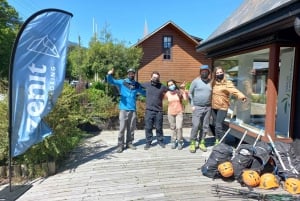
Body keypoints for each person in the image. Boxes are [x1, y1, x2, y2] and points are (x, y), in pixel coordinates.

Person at [106, 68, 145, 153]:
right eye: (130, 73)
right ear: (128, 74)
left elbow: (144, 93)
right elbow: (112, 81)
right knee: (122, 128)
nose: (131, 74)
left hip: (132, 109)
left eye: (133, 73)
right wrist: (109, 75)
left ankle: (129, 143)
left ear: (134, 74)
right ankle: (120, 145)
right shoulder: (122, 82)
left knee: (131, 128)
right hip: (123, 109)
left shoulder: (136, 85)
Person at [212, 66, 247, 145]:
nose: (219, 74)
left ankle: (222, 143)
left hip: (222, 106)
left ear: (223, 73)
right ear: (215, 74)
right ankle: (217, 140)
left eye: (220, 72)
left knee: (218, 125)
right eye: (217, 73)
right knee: (216, 124)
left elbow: (234, 91)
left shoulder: (227, 83)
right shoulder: (213, 83)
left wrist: (242, 96)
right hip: (213, 106)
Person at [141, 71, 168, 150]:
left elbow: (171, 90)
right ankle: (148, 142)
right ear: (151, 77)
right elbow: (137, 85)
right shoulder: (147, 84)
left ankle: (160, 141)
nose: (155, 78)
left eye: (157, 77)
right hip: (149, 111)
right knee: (148, 128)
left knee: (159, 128)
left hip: (158, 111)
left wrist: (179, 89)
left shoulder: (162, 86)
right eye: (154, 77)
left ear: (159, 78)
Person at [188, 65, 212, 153]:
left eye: (206, 71)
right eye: (202, 71)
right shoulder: (195, 81)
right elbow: (190, 93)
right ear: (200, 72)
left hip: (208, 107)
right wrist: (192, 105)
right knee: (196, 125)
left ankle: (202, 142)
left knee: (205, 126)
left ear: (208, 72)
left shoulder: (211, 82)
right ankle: (193, 143)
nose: (204, 72)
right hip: (197, 107)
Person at [164, 79, 188, 150]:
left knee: (179, 127)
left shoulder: (179, 91)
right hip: (170, 112)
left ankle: (180, 141)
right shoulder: (167, 93)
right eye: (169, 85)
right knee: (172, 127)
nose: (171, 86)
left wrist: (184, 90)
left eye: (172, 84)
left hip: (179, 112)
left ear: (174, 84)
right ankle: (173, 141)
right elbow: (163, 99)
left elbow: (185, 99)